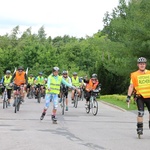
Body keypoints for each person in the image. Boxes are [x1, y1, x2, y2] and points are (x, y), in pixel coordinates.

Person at [126, 57, 150, 136]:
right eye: (140, 64)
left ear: (145, 64)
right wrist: (128, 97)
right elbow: (131, 86)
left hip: (149, 96)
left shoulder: (149, 73)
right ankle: (140, 128)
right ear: (138, 65)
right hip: (140, 96)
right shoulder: (134, 75)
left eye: (143, 64)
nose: (142, 65)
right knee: (140, 113)